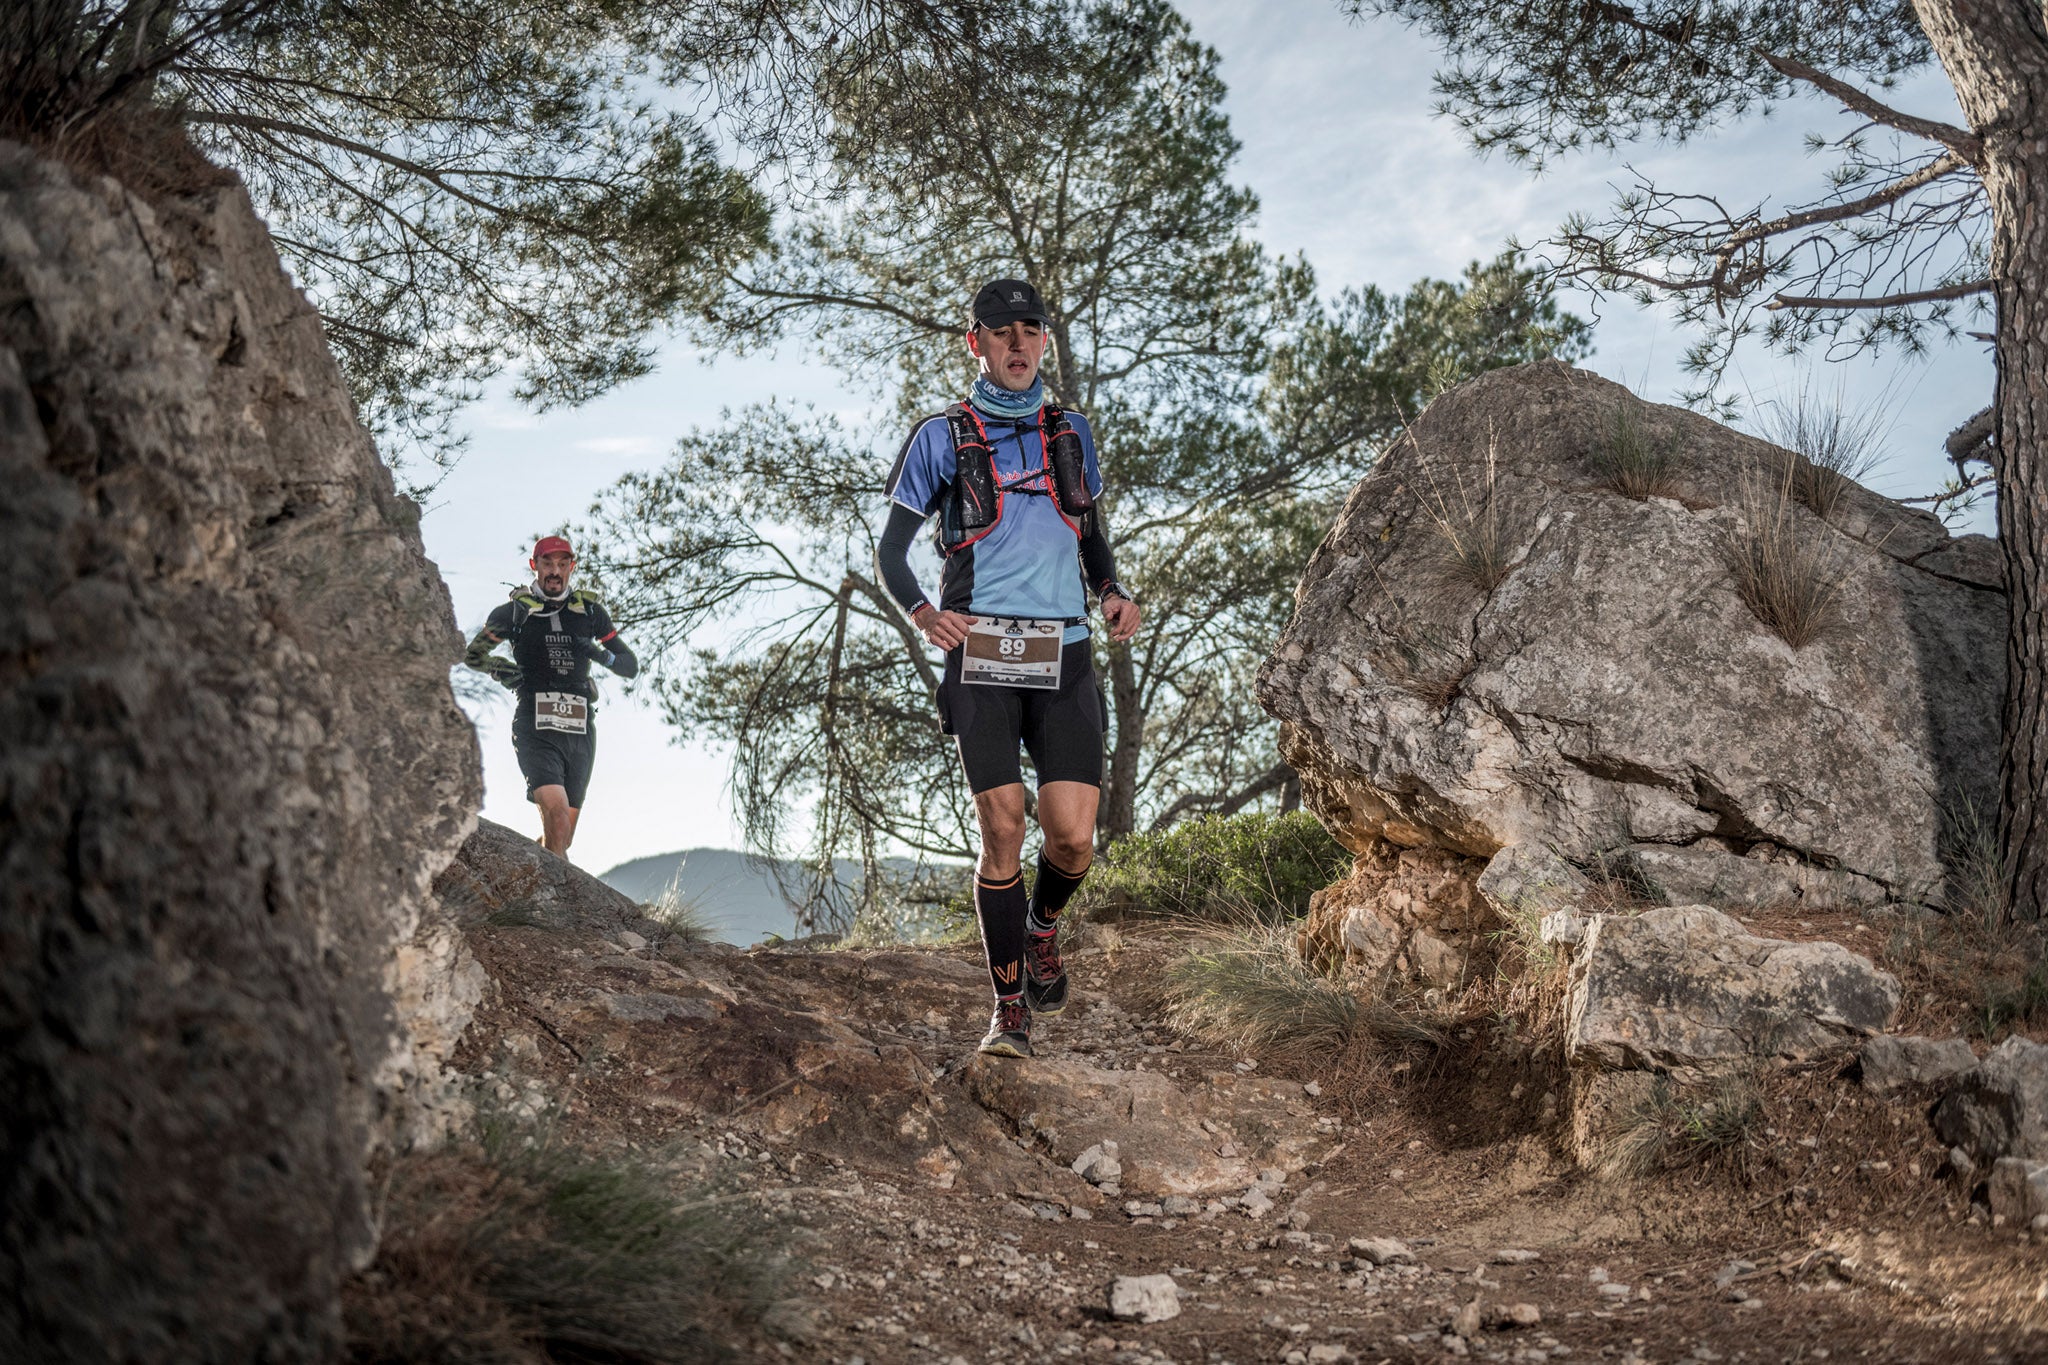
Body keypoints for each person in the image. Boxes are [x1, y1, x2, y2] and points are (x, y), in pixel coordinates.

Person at [875, 279, 1140, 1059]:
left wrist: (1113, 591)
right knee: (1003, 827)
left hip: (1065, 655)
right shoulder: (940, 435)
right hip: (981, 655)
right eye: (1002, 331)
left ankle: (1042, 926)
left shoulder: (1073, 430)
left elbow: (1089, 530)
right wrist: (926, 614)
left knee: (1072, 840)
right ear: (977, 344)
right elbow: (891, 551)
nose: (1019, 343)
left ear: (1044, 341)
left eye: (1031, 329)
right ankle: (1009, 1007)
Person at [462, 535, 639, 859]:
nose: (554, 571)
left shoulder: (589, 612)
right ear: (535, 566)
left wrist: (599, 655)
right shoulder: (515, 613)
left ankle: (522, 878)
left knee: (562, 838)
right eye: (547, 564)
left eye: (562, 564)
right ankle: (555, 909)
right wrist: (499, 668)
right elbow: (473, 655)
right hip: (535, 722)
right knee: (556, 818)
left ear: (572, 567)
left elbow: (630, 667)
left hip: (580, 727)